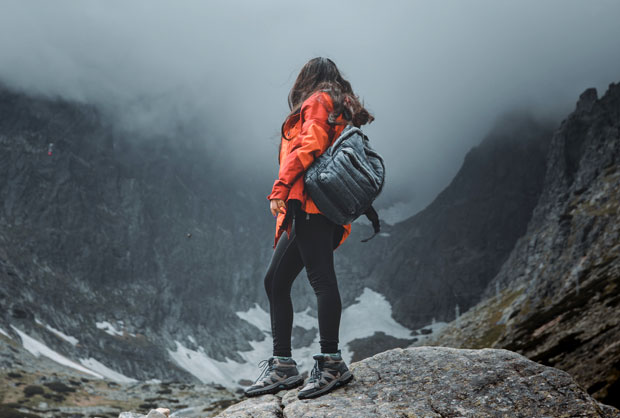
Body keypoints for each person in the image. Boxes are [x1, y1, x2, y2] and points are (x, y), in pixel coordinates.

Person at [244, 57, 374, 399]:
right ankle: (283, 365)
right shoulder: (339, 107)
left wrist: (281, 186)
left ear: (307, 80)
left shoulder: (318, 102)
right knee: (276, 280)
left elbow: (309, 144)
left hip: (311, 207)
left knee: (319, 279)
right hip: (321, 209)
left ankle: (331, 363)